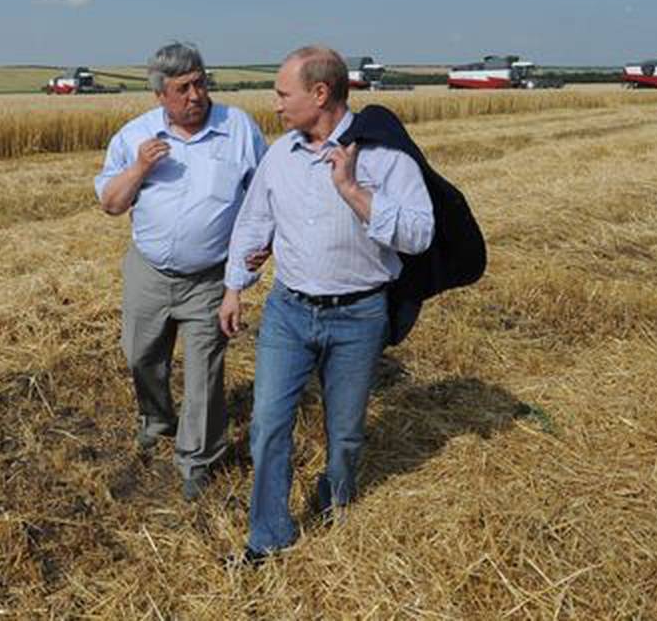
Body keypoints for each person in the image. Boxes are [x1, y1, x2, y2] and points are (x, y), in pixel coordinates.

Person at [218, 44, 434, 562]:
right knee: (269, 422)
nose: (275, 105)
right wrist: (233, 287)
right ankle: (268, 537)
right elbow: (253, 223)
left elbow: (420, 234)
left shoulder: (384, 153)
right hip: (289, 311)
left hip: (359, 315)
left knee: (346, 434)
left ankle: (335, 504)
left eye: (282, 94)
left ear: (320, 93)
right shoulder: (279, 154)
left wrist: (352, 191)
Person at [95, 42, 268, 501]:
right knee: (139, 353)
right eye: (183, 88)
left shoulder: (239, 130)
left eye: (201, 82)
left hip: (210, 277)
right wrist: (140, 168)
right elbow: (111, 204)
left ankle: (197, 458)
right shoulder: (136, 136)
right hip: (148, 271)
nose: (196, 95)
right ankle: (156, 418)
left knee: (204, 373)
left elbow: (263, 197)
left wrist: (257, 252)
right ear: (160, 95)